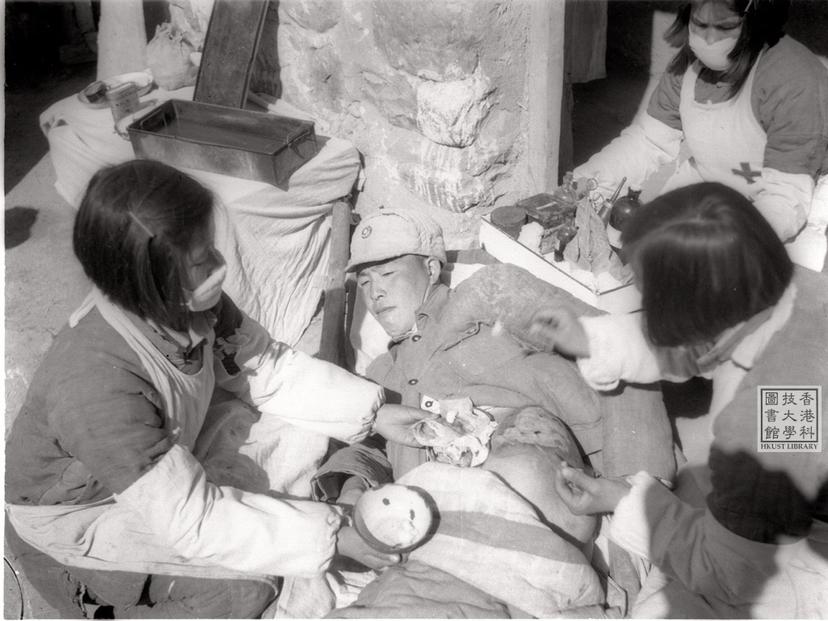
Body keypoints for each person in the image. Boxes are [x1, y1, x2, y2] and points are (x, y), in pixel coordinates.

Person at [4, 160, 415, 618]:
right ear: (151, 280)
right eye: (203, 262)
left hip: (156, 466)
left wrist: (375, 412)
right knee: (245, 589)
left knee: (303, 432)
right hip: (80, 515)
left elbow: (266, 367)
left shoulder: (189, 304)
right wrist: (334, 535)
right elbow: (190, 517)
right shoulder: (94, 384)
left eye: (211, 251)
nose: (221, 268)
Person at [314, 207, 676, 593]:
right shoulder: (380, 373)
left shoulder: (486, 294)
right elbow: (368, 444)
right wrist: (353, 487)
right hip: (439, 526)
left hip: (546, 489)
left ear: (432, 270)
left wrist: (632, 495)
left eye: (388, 274)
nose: (375, 293)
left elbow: (618, 347)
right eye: (365, 282)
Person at [530, 182, 828, 617]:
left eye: (652, 297)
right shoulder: (791, 286)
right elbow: (710, 339)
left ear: (684, 309)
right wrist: (592, 340)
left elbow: (731, 573)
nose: (646, 305)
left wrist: (627, 503)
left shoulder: (773, 420)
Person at [574, 0, 828, 270]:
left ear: (756, 24)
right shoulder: (688, 65)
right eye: (699, 23)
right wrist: (588, 180)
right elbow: (647, 141)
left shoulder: (794, 78)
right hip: (710, 179)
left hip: (790, 204)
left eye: (725, 26)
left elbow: (786, 196)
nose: (708, 39)